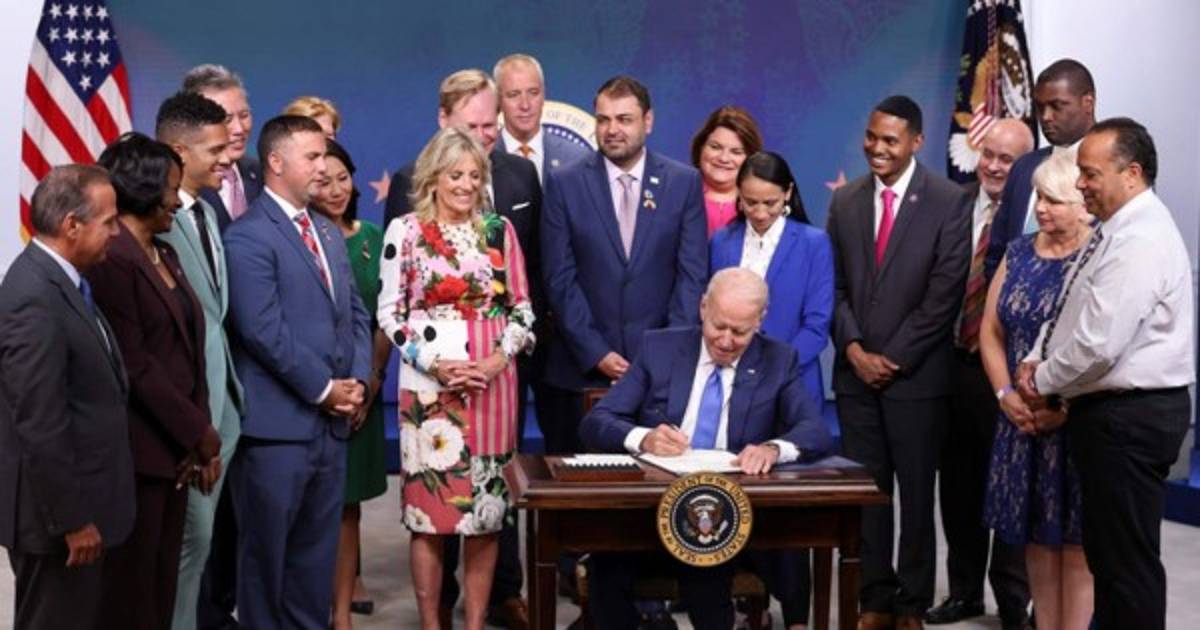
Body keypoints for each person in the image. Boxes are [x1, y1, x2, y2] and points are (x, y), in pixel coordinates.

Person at [579, 268, 833, 630]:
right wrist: (644, 438)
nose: (726, 341)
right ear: (703, 308)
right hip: (651, 511)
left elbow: (814, 429)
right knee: (607, 566)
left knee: (709, 562)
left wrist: (773, 449)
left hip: (729, 517)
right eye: (718, 326)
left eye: (740, 332)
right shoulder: (659, 348)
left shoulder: (778, 360)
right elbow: (598, 420)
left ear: (760, 321)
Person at [1015, 118, 1193, 630]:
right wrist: (1037, 358)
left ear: (1131, 174)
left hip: (1129, 417)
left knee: (1125, 568)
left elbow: (1097, 344)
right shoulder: (1115, 231)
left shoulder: (1140, 239)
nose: (1081, 184)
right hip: (1112, 414)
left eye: (1091, 174)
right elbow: (1072, 310)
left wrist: (1042, 380)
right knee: (1112, 561)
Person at [382, 67, 540, 628]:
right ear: (433, 177)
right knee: (429, 518)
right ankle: (433, 622)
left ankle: (474, 623)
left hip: (492, 388)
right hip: (430, 396)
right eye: (455, 175)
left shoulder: (499, 231)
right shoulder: (405, 232)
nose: (466, 185)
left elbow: (522, 309)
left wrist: (497, 360)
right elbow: (390, 315)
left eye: (474, 175)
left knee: (486, 518)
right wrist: (437, 364)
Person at [825, 95, 972, 630]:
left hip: (918, 379)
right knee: (868, 494)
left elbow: (944, 294)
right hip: (855, 376)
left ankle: (911, 603)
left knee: (915, 495)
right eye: (871, 136)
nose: (877, 148)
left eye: (890, 140)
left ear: (916, 142)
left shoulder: (949, 201)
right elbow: (833, 287)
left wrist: (891, 359)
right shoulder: (845, 202)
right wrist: (855, 350)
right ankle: (874, 599)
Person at [224, 114, 372, 629]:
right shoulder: (247, 237)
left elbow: (356, 314)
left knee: (313, 565)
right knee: (266, 566)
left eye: (324, 155)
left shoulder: (326, 232)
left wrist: (358, 382)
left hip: (331, 430)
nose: (323, 167)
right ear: (276, 162)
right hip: (276, 434)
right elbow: (262, 330)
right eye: (312, 156)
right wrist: (325, 389)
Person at [86, 133, 222, 630]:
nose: (177, 201)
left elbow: (191, 348)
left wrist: (195, 434)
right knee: (132, 594)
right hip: (138, 454)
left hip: (177, 454)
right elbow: (136, 364)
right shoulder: (114, 261)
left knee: (162, 588)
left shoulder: (165, 252)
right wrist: (198, 432)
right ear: (143, 189)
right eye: (169, 189)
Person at [540, 74, 707, 454]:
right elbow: (559, 278)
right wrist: (597, 353)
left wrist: (663, 353)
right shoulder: (564, 183)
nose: (612, 129)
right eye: (603, 119)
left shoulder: (683, 183)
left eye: (624, 119)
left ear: (648, 121)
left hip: (661, 377)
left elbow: (692, 277)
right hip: (580, 372)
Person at [0, 165, 130, 630]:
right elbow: (40, 421)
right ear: (72, 225)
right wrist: (73, 520)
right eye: (108, 222)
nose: (116, 232)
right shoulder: (33, 296)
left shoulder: (64, 282)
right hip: (57, 524)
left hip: (84, 506)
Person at [927, 119, 1034, 629]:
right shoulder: (952, 204)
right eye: (987, 154)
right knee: (959, 487)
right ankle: (964, 591)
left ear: (1027, 165)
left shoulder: (1037, 211)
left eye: (1006, 159)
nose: (992, 166)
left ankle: (1013, 601)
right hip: (953, 366)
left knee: (1011, 488)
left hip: (1012, 375)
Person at [979, 151, 1093, 630]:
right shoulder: (1018, 251)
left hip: (1075, 424)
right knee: (1035, 543)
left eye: (1054, 200)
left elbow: (1103, 346)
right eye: (1039, 197)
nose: (1041, 208)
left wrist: (1062, 407)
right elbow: (990, 331)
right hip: (1020, 422)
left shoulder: (1098, 256)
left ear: (1083, 205)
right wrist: (1005, 395)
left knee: (1076, 545)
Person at [153, 91, 246, 630]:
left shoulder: (209, 213)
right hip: (187, 417)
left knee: (204, 544)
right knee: (187, 546)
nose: (228, 158)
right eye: (215, 150)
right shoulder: (153, 225)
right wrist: (192, 422)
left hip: (222, 406)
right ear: (179, 152)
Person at [310, 139, 391, 630]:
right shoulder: (297, 238)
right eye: (325, 181)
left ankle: (341, 616)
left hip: (363, 392)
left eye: (344, 179)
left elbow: (384, 319)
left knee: (346, 509)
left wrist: (369, 382)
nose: (336, 190)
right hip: (310, 393)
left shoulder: (374, 238)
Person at [709, 151, 831, 409]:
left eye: (770, 203)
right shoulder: (722, 241)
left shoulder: (813, 244)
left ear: (788, 193)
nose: (761, 213)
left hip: (793, 383)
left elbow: (817, 326)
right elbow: (710, 313)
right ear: (739, 194)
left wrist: (773, 371)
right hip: (729, 383)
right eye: (751, 202)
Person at [984, 59, 1096, 279]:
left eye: (1057, 106)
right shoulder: (1024, 167)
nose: (1045, 117)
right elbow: (997, 251)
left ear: (1088, 103)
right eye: (1040, 107)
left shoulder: (1112, 170)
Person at [183, 64, 263, 233]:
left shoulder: (261, 174)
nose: (239, 129)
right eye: (227, 120)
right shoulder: (183, 183)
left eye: (244, 115)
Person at [493, 53, 591, 184]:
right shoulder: (482, 158)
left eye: (533, 93)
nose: (525, 105)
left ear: (543, 95)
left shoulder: (577, 158)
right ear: (498, 99)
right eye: (514, 95)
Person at [690, 105, 766, 236]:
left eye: (736, 152)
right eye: (715, 147)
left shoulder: (764, 206)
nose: (724, 158)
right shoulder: (677, 195)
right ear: (701, 147)